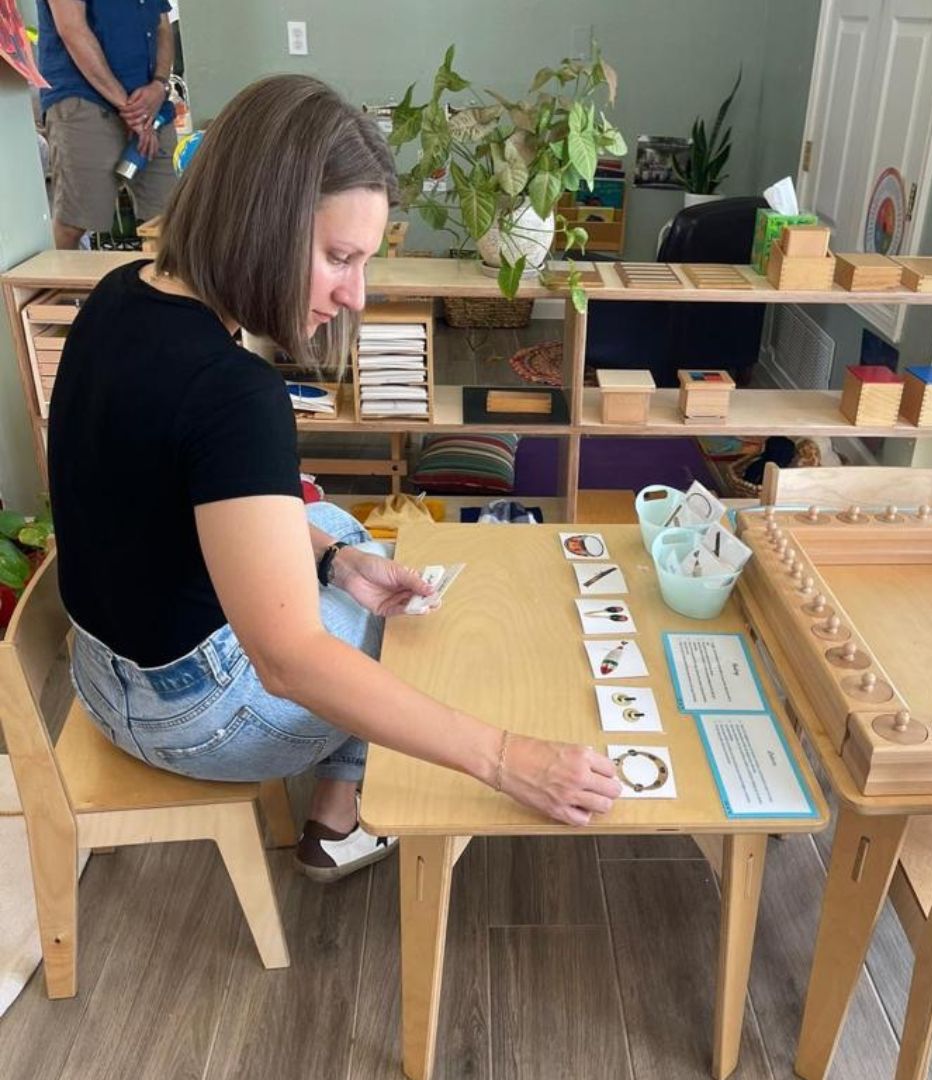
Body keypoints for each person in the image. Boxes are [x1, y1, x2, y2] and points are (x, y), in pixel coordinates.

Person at [47, 74, 622, 882]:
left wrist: (332, 562)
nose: (354, 293)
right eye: (338, 258)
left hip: (99, 675)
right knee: (401, 635)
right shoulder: (232, 393)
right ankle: (342, 814)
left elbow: (159, 501)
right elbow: (289, 662)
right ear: (262, 224)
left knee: (351, 540)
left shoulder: (117, 296)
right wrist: (505, 757)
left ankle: (333, 804)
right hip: (190, 718)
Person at [37, 0, 177, 249]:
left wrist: (160, 84)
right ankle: (62, 287)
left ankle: (162, 287)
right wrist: (130, 109)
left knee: (170, 218)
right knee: (75, 223)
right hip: (85, 98)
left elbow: (163, 27)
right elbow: (72, 30)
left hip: (151, 104)